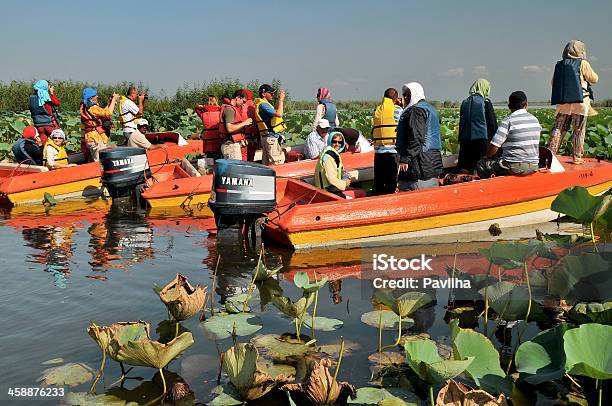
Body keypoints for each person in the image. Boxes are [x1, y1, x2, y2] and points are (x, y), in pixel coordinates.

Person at [548, 40, 599, 164]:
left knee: (559, 128)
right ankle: (577, 157)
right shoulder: (583, 63)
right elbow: (594, 79)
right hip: (580, 102)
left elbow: (553, 83)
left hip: (563, 102)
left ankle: (550, 154)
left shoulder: (559, 65)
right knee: (579, 129)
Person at [476, 91, 541, 178]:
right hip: (534, 166)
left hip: (514, 166)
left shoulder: (508, 121)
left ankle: (491, 189)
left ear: (509, 106)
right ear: (526, 104)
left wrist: (487, 156)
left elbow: (494, 146)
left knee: (482, 164)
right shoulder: (535, 120)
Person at [397, 82, 443, 191]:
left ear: (416, 94)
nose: (405, 98)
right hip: (432, 161)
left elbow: (416, 137)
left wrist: (405, 159)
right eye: (404, 95)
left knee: (413, 194)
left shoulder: (416, 110)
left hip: (419, 163)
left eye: (409, 95)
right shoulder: (431, 109)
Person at [458, 79, 498, 173]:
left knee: (465, 168)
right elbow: (492, 125)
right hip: (481, 142)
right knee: (480, 169)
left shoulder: (464, 103)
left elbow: (461, 123)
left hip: (465, 142)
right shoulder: (485, 102)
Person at [372, 88, 401, 195]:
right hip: (393, 153)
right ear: (396, 99)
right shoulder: (397, 110)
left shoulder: (376, 110)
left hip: (379, 154)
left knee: (379, 183)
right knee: (391, 184)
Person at [80, 88, 119, 162]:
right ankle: (99, 173)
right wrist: (114, 100)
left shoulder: (87, 108)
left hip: (91, 138)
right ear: (91, 98)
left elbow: (103, 112)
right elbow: (108, 113)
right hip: (95, 138)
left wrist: (110, 102)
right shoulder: (93, 108)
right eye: (95, 95)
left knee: (96, 159)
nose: (97, 96)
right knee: (99, 161)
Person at [254, 84, 287, 165]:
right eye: (271, 93)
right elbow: (279, 114)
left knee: (267, 164)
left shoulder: (264, 104)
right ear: (263, 94)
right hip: (271, 138)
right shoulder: (264, 105)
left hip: (267, 138)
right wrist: (281, 100)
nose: (273, 94)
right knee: (276, 163)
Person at [314, 132, 351, 198]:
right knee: (361, 194)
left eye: (340, 142)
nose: (337, 144)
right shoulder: (328, 157)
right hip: (327, 193)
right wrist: (345, 184)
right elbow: (331, 179)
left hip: (330, 190)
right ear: (330, 141)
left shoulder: (331, 153)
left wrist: (342, 173)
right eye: (334, 142)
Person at [219, 89, 253, 160]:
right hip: (230, 146)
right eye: (243, 101)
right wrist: (244, 123)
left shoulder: (233, 109)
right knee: (236, 170)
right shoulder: (230, 110)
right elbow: (230, 128)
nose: (243, 104)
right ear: (237, 98)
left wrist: (245, 126)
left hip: (232, 145)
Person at [28, 80, 61, 145]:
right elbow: (57, 103)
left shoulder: (32, 98)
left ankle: (44, 154)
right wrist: (51, 93)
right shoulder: (46, 96)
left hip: (38, 125)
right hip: (48, 123)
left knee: (44, 143)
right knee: (57, 140)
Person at [242, 88, 259, 161]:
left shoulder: (242, 106)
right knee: (251, 157)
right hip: (254, 135)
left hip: (245, 136)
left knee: (244, 157)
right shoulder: (254, 105)